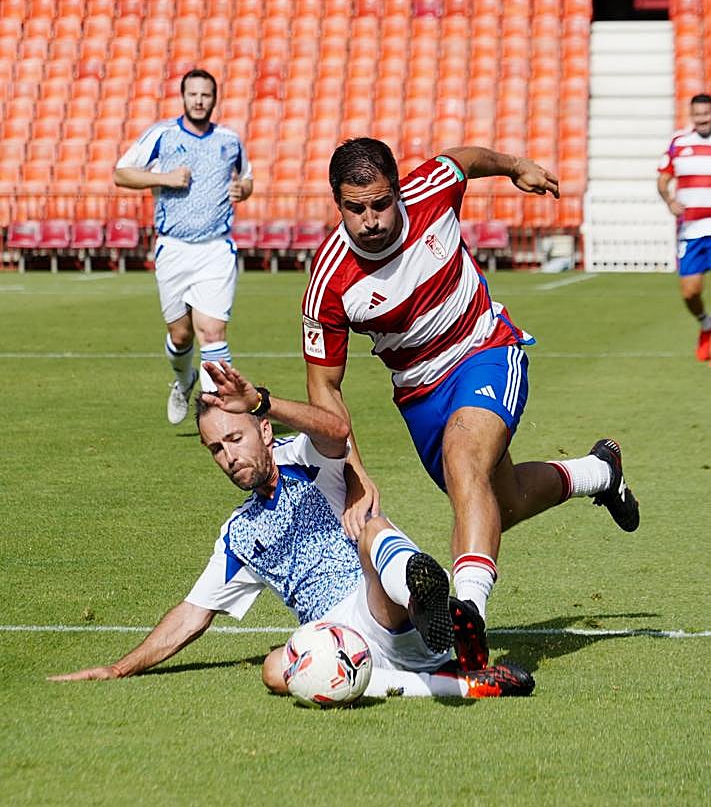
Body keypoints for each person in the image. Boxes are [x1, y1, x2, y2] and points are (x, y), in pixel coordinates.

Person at [301, 137, 640, 672]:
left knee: (465, 461)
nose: (370, 220)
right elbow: (325, 389)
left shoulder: (432, 188)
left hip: (484, 349)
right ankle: (599, 471)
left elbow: (464, 159)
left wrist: (516, 167)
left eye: (381, 203)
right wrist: (355, 474)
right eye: (355, 207)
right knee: (497, 502)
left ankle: (468, 618)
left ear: (398, 191)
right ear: (336, 202)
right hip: (419, 396)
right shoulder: (330, 280)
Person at [48, 362, 533, 700]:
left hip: (382, 604)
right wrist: (118, 667)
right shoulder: (239, 534)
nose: (228, 457)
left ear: (261, 431)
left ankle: (430, 603)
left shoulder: (305, 458)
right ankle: (462, 682)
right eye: (215, 449)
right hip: (338, 639)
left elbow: (336, 431)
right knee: (275, 669)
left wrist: (264, 401)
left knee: (370, 528)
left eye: (234, 438)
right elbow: (192, 615)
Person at [114, 68, 253, 424]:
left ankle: (217, 411)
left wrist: (243, 190)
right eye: (193, 94)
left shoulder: (229, 140)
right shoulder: (162, 135)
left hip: (215, 249)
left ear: (214, 99)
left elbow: (246, 177)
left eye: (206, 95)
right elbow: (121, 172)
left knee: (212, 330)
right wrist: (164, 178)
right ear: (183, 97)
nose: (199, 101)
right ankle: (183, 379)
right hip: (173, 249)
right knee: (180, 334)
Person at [657, 93, 711, 362]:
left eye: (706, 113)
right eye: (697, 114)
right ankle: (705, 323)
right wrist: (669, 200)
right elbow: (663, 179)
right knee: (690, 292)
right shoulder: (679, 142)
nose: (702, 118)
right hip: (692, 231)